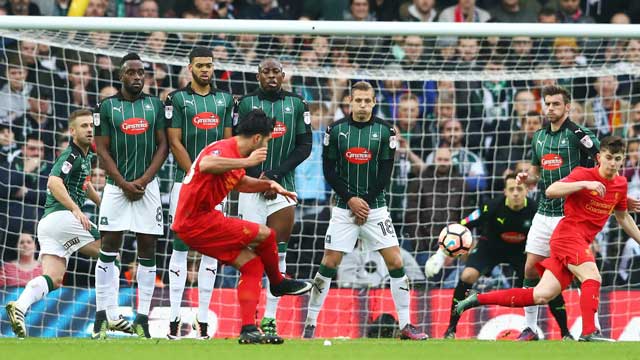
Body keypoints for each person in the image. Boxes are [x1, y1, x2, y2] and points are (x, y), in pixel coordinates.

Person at [456, 136, 637, 342]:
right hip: (568, 235)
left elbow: (623, 216)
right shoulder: (583, 174)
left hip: (579, 241)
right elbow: (551, 191)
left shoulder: (621, 185)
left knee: (541, 294)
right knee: (592, 276)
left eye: (617, 158)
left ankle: (476, 299)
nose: (612, 163)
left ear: (623, 160)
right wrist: (585, 184)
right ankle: (589, 332)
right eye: (608, 157)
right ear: (598, 157)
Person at [171, 108, 312, 345]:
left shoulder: (233, 156)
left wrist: (270, 184)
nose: (266, 147)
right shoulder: (226, 150)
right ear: (257, 139)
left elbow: (240, 182)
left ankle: (248, 329)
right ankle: (277, 282)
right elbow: (206, 164)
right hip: (197, 222)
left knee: (252, 264)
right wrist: (247, 161)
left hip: (199, 222)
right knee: (267, 235)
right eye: (266, 141)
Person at [302, 81, 428, 341]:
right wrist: (350, 200)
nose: (361, 105)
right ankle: (310, 324)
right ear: (349, 101)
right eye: (357, 100)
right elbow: (329, 170)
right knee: (329, 262)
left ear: (373, 102)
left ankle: (405, 324)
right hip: (343, 208)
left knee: (395, 261)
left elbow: (385, 172)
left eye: (366, 100)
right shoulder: (335, 130)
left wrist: (365, 202)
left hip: (376, 208)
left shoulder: (385, 131)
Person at [5, 110, 132, 338]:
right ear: (72, 131)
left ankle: (20, 306)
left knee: (53, 278)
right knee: (112, 253)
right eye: (83, 126)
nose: (89, 129)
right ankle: (110, 315)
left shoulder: (85, 157)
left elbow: (85, 183)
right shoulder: (70, 156)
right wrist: (75, 209)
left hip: (48, 224)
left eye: (91, 125)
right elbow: (53, 182)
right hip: (64, 217)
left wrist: (101, 203)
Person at [514, 85, 600, 341]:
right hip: (544, 212)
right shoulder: (539, 136)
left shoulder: (579, 135)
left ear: (567, 107)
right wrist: (527, 178)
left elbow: (601, 163)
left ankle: (591, 327)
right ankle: (530, 328)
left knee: (580, 272)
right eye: (547, 104)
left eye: (555, 104)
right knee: (530, 268)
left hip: (571, 215)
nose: (550, 108)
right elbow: (536, 171)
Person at [93, 53, 169, 339]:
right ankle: (102, 316)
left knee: (147, 249)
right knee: (109, 245)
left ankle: (142, 318)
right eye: (132, 73)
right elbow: (101, 149)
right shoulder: (106, 107)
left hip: (147, 188)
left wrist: (144, 180)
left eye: (141, 73)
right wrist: (123, 182)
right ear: (120, 76)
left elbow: (164, 146)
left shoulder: (155, 105)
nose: (137, 77)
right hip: (116, 187)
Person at [235, 58, 312, 337]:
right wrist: (259, 179)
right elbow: (237, 146)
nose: (271, 76)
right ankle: (249, 319)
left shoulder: (297, 104)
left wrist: (275, 175)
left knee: (278, 252)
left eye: (275, 72)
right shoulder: (244, 104)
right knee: (252, 254)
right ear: (258, 76)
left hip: (284, 186)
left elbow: (305, 146)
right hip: (250, 188)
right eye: (265, 72)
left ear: (283, 75)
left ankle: (270, 318)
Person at [165, 47, 235, 340]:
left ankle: (203, 320)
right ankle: (173, 317)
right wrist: (196, 173)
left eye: (209, 65)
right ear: (190, 67)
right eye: (200, 65)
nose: (205, 70)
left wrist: (217, 173)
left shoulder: (225, 100)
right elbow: (174, 142)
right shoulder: (177, 99)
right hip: (186, 184)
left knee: (211, 251)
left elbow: (230, 143)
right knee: (180, 247)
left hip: (218, 186)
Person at [425, 173, 537, 338]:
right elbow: (462, 225)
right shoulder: (491, 206)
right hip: (490, 247)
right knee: (467, 275)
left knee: (536, 287)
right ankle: (451, 328)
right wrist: (440, 254)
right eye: (511, 189)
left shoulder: (535, 209)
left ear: (527, 190)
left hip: (520, 252)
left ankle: (555, 331)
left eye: (519, 189)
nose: (515, 193)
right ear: (505, 192)